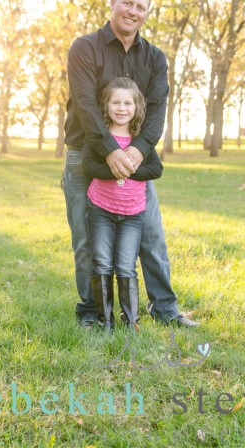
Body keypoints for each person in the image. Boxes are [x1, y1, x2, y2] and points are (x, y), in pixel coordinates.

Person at [62, 0, 197, 329]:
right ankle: (91, 314)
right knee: (87, 241)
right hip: (86, 156)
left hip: (133, 160)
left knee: (151, 236)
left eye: (141, 8)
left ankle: (165, 310)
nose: (133, 12)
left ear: (146, 14)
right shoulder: (85, 48)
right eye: (128, 4)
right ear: (113, 3)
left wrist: (137, 151)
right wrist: (109, 150)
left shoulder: (154, 58)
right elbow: (86, 104)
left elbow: (156, 110)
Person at [82, 77, 163, 331]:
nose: (121, 108)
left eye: (127, 103)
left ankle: (131, 322)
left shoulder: (141, 140)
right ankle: (106, 321)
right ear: (106, 106)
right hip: (101, 211)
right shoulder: (99, 138)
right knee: (102, 262)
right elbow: (88, 165)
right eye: (115, 102)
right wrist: (113, 170)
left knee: (127, 265)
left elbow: (156, 169)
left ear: (137, 107)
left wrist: (129, 170)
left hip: (133, 215)